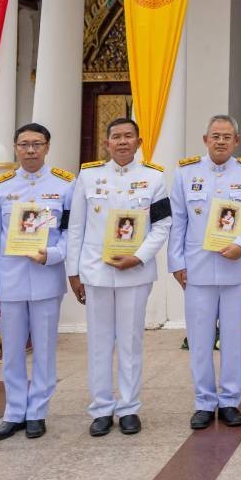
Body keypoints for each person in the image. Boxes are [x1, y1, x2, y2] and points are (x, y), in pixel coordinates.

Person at [66, 117, 171, 437]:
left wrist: (138, 257)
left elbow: (162, 224)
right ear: (107, 143)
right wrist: (74, 271)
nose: (122, 142)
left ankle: (128, 407)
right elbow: (76, 227)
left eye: (129, 137)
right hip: (96, 272)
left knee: (130, 341)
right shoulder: (88, 176)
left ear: (139, 143)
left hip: (135, 273)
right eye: (116, 137)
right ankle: (100, 408)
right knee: (98, 343)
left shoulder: (154, 178)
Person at [169, 115, 241, 431]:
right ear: (205, 139)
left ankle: (230, 402)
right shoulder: (186, 174)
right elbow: (178, 220)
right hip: (197, 269)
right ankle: (204, 402)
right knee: (199, 339)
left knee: (234, 339)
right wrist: (177, 262)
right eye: (215, 136)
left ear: (237, 141)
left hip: (234, 268)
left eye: (227, 136)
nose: (221, 141)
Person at [0, 122, 74, 442]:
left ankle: (37, 412)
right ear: (15, 148)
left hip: (46, 277)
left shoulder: (65, 185)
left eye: (37, 144)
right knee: (12, 350)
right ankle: (13, 411)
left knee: (45, 349)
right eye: (24, 144)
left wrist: (51, 254)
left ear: (48, 147)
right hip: (10, 278)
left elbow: (70, 234)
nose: (31, 150)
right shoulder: (1, 186)